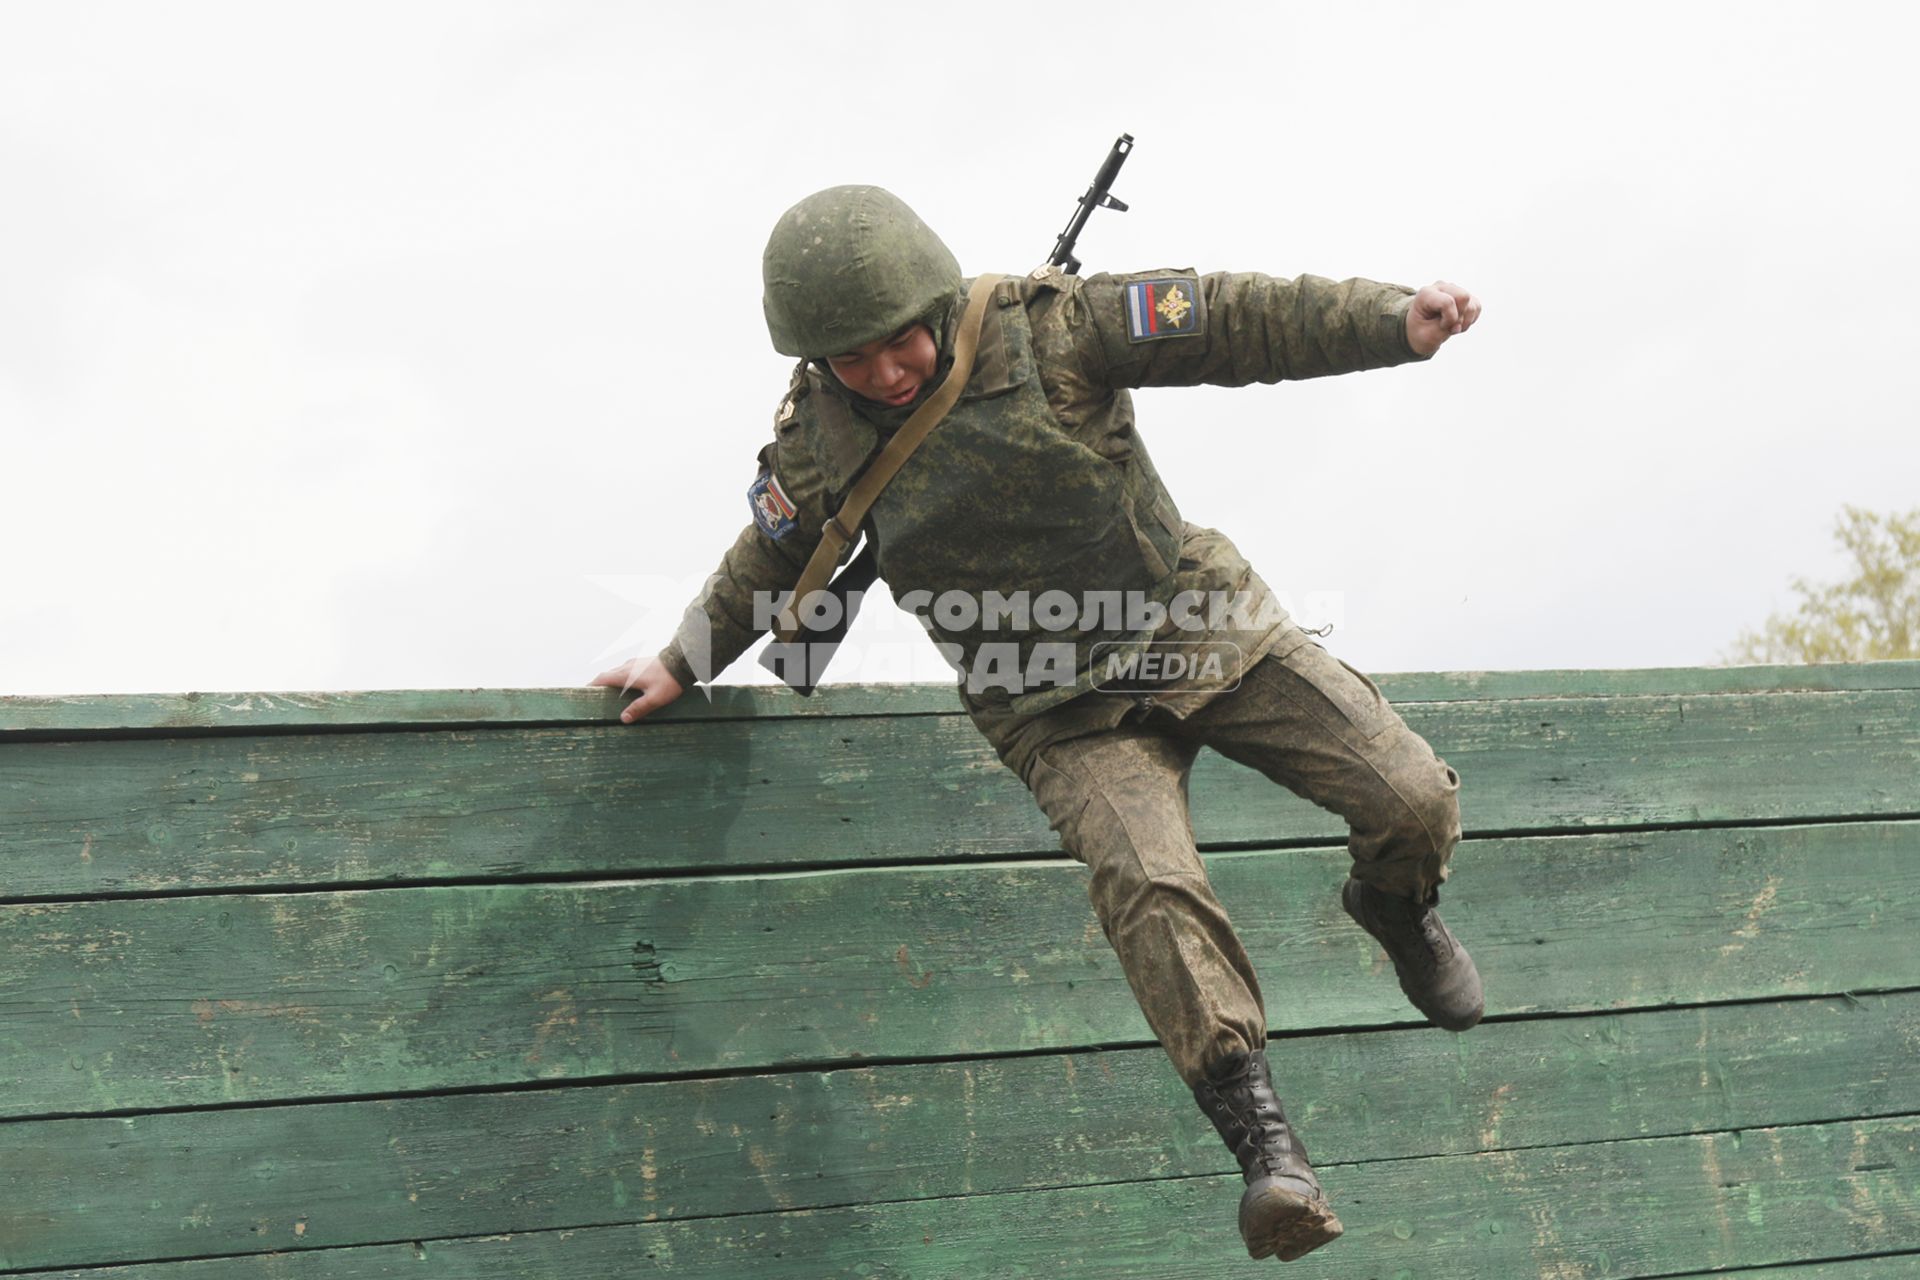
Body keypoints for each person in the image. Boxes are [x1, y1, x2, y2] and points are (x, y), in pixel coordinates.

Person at [591, 185, 1483, 1263]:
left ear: (930, 300)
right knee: (1149, 885)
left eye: (896, 341)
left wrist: (1395, 320)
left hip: (1196, 619)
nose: (883, 372)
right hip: (1049, 703)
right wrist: (682, 656)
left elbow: (1232, 318)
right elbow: (771, 559)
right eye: (851, 359)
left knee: (1410, 794)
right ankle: (1270, 1156)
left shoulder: (1052, 325)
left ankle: (1394, 905)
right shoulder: (819, 445)